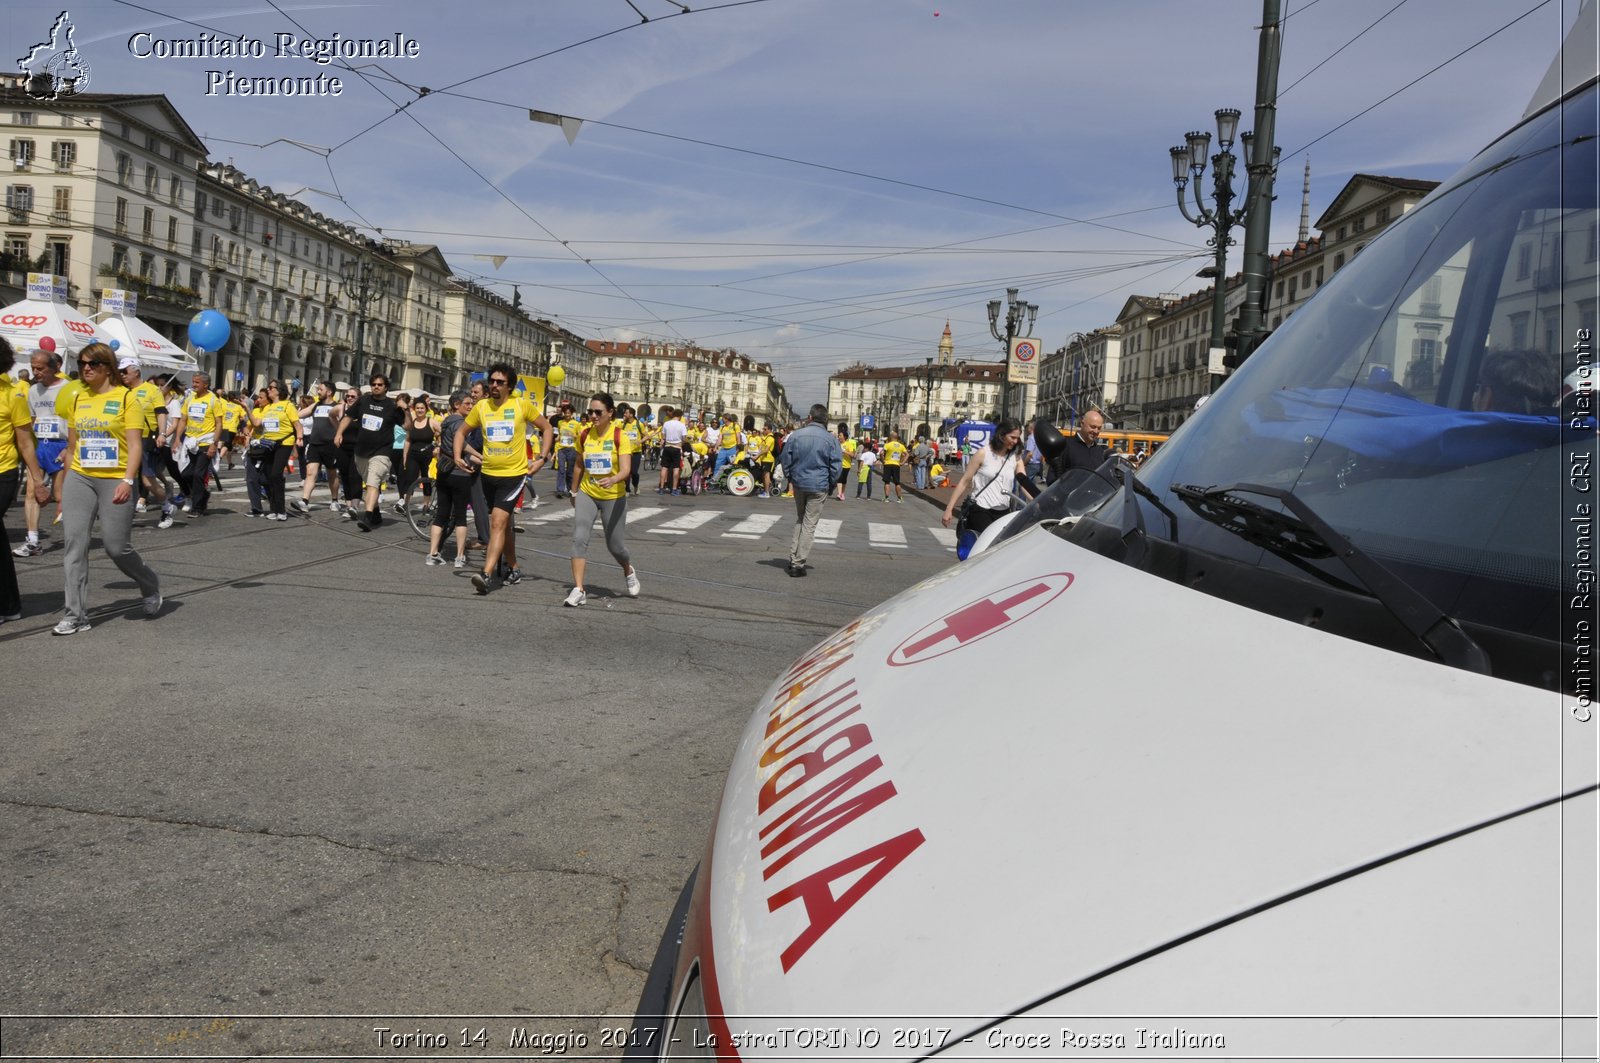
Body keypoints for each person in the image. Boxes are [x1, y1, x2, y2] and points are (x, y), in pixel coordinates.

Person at [54, 342, 162, 635]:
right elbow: (73, 446)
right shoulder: (78, 399)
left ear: (108, 368)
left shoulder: (127, 399)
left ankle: (149, 583)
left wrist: (128, 481)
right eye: (82, 364)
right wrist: (63, 490)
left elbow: (136, 445)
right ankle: (75, 614)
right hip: (81, 477)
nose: (86, 368)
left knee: (116, 547)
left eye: (93, 364)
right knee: (75, 545)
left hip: (116, 478)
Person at [458, 362, 552, 594]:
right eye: (492, 381)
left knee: (498, 523)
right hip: (488, 475)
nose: (495, 386)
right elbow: (461, 432)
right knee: (505, 526)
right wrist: (459, 455)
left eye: (500, 382)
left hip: (514, 475)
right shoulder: (482, 407)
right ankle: (513, 567)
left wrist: (541, 458)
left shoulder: (521, 405)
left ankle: (486, 574)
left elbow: (547, 429)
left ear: (509, 386)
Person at [563, 391, 640, 607]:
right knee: (579, 537)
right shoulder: (585, 435)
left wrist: (613, 479)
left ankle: (628, 569)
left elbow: (626, 470)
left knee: (615, 546)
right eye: (590, 411)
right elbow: (579, 464)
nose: (593, 416)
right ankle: (579, 589)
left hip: (613, 496)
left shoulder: (619, 436)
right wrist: (574, 490)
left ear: (610, 413)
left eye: (598, 412)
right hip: (588, 492)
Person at [1, 337, 50, 622]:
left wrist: (38, 480)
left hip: (3, 472)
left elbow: (25, 442)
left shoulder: (13, 395)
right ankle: (9, 605)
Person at [14, 347, 67, 557]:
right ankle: (33, 540)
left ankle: (76, 534)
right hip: (40, 445)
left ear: (54, 368)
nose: (36, 372)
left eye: (41, 368)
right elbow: (33, 419)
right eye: (33, 368)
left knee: (59, 495)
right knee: (32, 491)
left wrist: (70, 448)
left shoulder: (69, 388)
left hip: (61, 444)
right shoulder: (33, 390)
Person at [334, 373, 404, 531]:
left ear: (386, 387)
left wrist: (404, 410)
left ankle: (367, 517)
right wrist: (339, 433)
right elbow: (348, 417)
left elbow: (408, 426)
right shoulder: (364, 400)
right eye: (373, 384)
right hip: (361, 452)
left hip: (382, 452)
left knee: (372, 483)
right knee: (370, 483)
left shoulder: (392, 407)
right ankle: (377, 513)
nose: (376, 387)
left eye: (379, 385)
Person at [779, 403, 842, 578]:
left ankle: (793, 557)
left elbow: (785, 458)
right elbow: (836, 466)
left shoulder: (796, 435)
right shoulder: (831, 440)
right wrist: (831, 483)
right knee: (809, 524)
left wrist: (790, 477)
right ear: (825, 420)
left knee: (800, 518)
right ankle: (798, 564)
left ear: (810, 417)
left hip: (799, 483)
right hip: (819, 484)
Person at [942, 419, 1032, 539]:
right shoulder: (983, 453)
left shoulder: (1015, 456)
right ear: (1001, 435)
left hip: (1003, 511)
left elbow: (1023, 482)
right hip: (981, 508)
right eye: (1012, 437)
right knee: (986, 544)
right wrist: (949, 509)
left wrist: (1037, 499)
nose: (1015, 442)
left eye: (1017, 438)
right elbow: (964, 481)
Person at [118, 358, 174, 527]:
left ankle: (167, 506)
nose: (122, 375)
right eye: (120, 372)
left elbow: (161, 413)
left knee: (147, 480)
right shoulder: (121, 391)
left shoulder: (152, 390)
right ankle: (126, 512)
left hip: (146, 438)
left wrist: (162, 434)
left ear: (136, 372)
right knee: (126, 477)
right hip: (125, 439)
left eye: (125, 371)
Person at [427, 389, 478, 568]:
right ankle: (460, 556)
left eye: (471, 403)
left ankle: (433, 553)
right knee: (460, 517)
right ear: (457, 405)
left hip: (444, 472)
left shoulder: (446, 421)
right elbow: (463, 445)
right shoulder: (461, 423)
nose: (471, 406)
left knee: (441, 514)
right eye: (467, 403)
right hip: (459, 472)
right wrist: (481, 456)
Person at [171, 371, 224, 516]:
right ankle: (204, 494)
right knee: (186, 473)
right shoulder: (190, 398)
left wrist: (214, 444)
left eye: (197, 382)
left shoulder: (214, 400)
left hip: (206, 441)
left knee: (198, 475)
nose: (193, 385)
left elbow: (219, 424)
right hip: (190, 441)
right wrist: (177, 439)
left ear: (205, 385)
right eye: (193, 382)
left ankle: (198, 507)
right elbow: (183, 420)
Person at [249, 380, 304, 520]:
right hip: (268, 444)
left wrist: (299, 438)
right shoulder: (268, 407)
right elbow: (256, 423)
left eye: (271, 387)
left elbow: (296, 424)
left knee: (275, 475)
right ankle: (274, 509)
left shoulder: (287, 405)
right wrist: (246, 409)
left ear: (279, 390)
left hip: (284, 443)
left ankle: (281, 510)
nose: (268, 389)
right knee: (268, 477)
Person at [293, 381, 343, 512]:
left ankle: (334, 500)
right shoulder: (316, 405)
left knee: (332, 474)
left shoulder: (337, 406)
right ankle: (305, 501)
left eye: (320, 389)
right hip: (315, 443)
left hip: (330, 444)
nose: (317, 392)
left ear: (329, 392)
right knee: (310, 473)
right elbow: (300, 414)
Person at [1473, 349, 1561, 414]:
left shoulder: (1467, 437)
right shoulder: (1565, 435)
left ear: (1487, 399)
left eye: (1478, 388)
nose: (1474, 399)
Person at [397, 394, 437, 514]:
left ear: (426, 409)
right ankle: (405, 503)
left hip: (427, 456)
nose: (420, 410)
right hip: (413, 455)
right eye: (418, 408)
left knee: (426, 481)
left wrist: (438, 446)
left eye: (422, 408)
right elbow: (408, 440)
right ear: (414, 409)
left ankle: (426, 504)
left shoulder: (432, 422)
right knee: (410, 479)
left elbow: (443, 433)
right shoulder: (411, 423)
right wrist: (405, 456)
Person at [1053, 410, 1107, 478]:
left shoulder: (1100, 452)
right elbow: (1053, 478)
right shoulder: (1065, 446)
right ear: (1082, 423)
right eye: (1093, 427)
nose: (1096, 431)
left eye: (1099, 428)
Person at [553, 401, 580, 498]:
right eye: (565, 413)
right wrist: (557, 439)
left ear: (571, 413)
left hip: (571, 449)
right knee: (561, 469)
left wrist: (575, 435)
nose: (567, 415)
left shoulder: (576, 424)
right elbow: (559, 435)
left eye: (568, 413)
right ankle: (560, 490)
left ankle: (570, 489)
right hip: (561, 448)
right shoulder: (560, 422)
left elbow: (579, 436)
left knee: (570, 471)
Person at [658, 405, 686, 494]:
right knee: (676, 468)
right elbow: (684, 438)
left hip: (667, 447)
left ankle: (661, 488)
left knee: (664, 468)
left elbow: (663, 436)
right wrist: (681, 443)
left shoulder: (666, 423)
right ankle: (674, 489)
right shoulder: (682, 425)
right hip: (676, 447)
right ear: (680, 416)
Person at [618, 404, 644, 495]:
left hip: (636, 452)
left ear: (631, 414)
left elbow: (647, 435)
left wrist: (640, 441)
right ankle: (627, 489)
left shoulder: (638, 424)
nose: (624, 414)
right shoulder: (623, 424)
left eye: (626, 413)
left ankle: (636, 486)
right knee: (626, 471)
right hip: (626, 452)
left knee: (634, 472)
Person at [712, 412, 742, 480]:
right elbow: (720, 438)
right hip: (723, 449)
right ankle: (715, 480)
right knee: (718, 464)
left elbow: (738, 437)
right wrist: (715, 447)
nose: (721, 420)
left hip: (732, 449)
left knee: (733, 465)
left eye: (722, 419)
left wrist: (738, 448)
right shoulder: (722, 428)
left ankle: (734, 480)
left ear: (726, 419)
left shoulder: (735, 426)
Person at [880, 431, 908, 503]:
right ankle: (899, 498)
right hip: (896, 465)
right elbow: (907, 454)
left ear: (891, 437)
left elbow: (881, 453)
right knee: (897, 482)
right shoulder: (901, 446)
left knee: (887, 482)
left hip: (888, 464)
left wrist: (883, 460)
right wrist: (903, 462)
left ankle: (886, 497)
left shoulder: (888, 445)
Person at [836, 425, 855, 501]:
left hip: (847, 465)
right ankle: (839, 494)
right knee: (839, 479)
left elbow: (852, 455)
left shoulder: (848, 444)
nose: (839, 437)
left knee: (844, 480)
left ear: (844, 436)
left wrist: (844, 451)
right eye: (839, 435)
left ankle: (842, 493)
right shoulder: (837, 444)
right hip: (839, 465)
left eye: (840, 435)